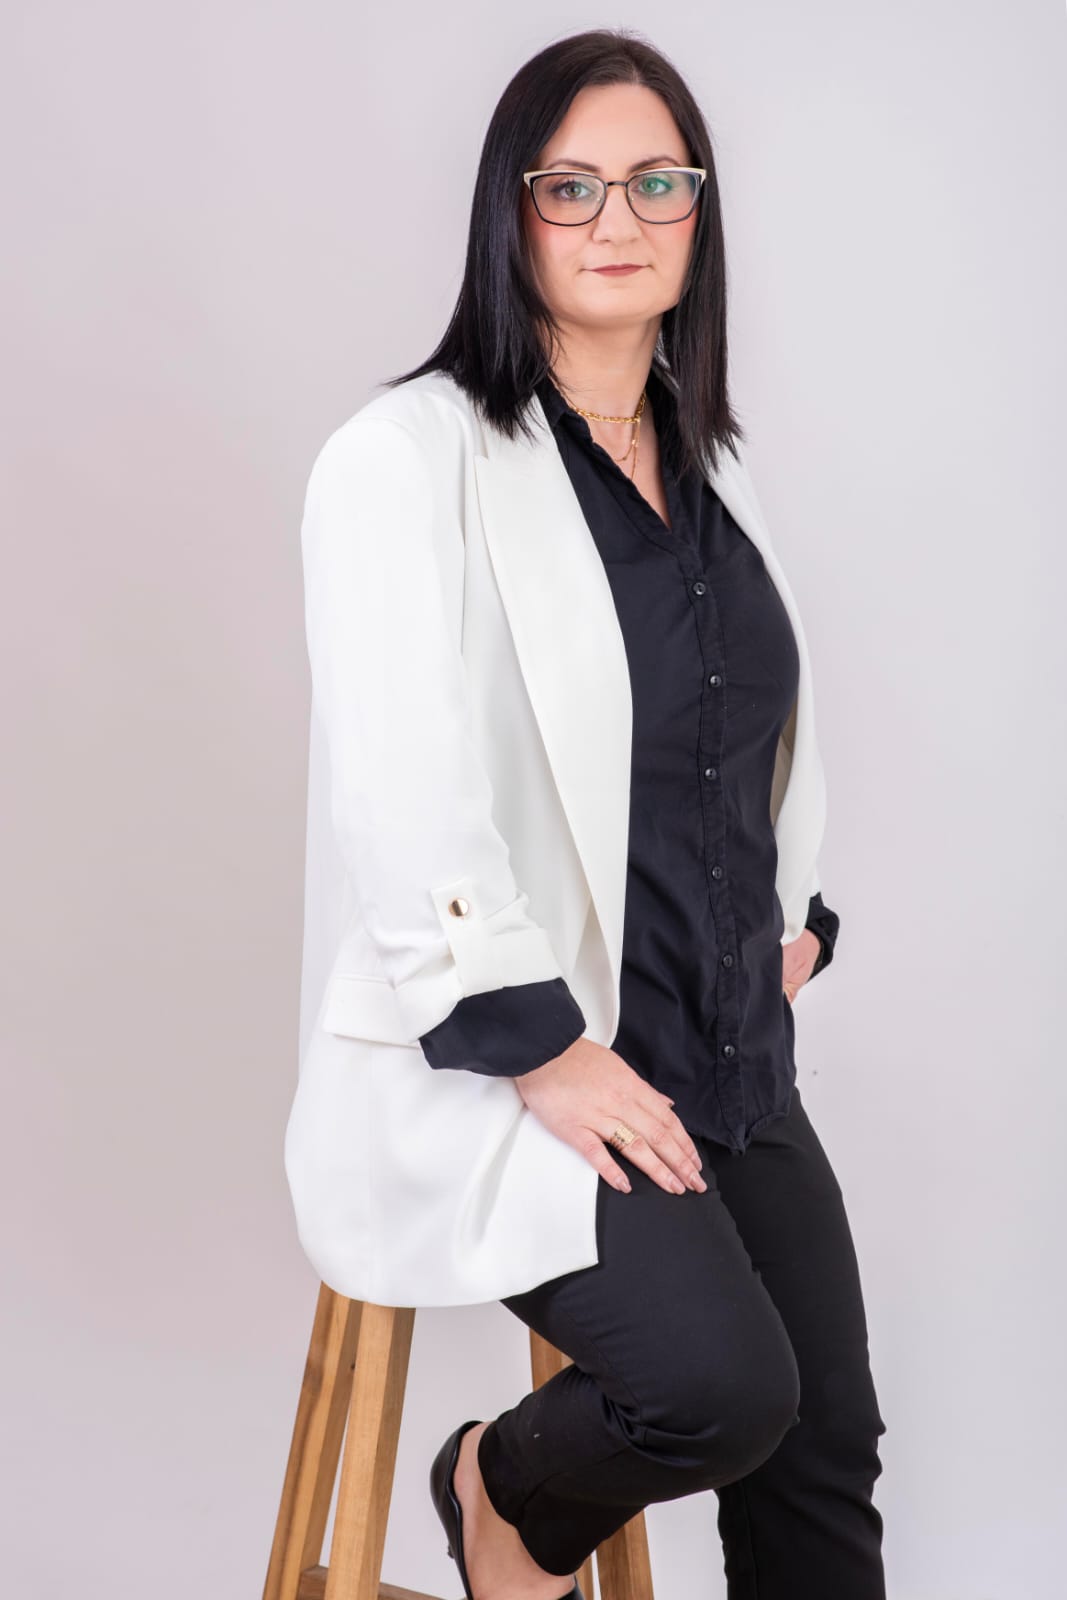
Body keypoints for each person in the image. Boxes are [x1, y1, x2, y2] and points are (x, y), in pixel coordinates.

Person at [285, 26, 887, 1600]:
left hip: (723, 1043)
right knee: (723, 1393)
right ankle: (495, 1483)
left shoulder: (713, 465)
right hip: (519, 1057)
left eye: (656, 183)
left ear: (699, 212)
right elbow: (404, 793)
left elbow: (743, 744)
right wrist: (547, 1049)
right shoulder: (404, 461)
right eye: (573, 187)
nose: (619, 220)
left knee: (826, 1451)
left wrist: (794, 923)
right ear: (514, 213)